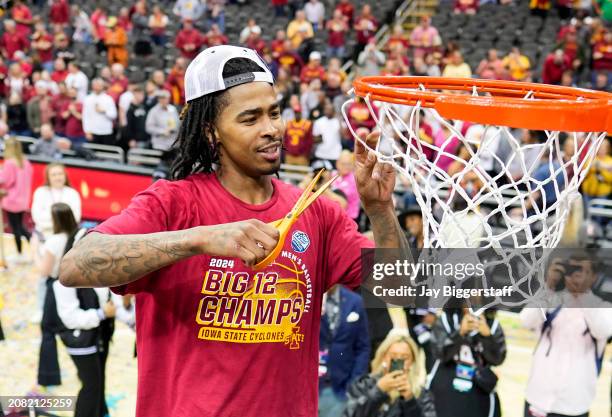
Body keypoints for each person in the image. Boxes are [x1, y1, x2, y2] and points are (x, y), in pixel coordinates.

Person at [58, 45, 402, 417]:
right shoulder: (173, 204)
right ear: (212, 131)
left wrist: (381, 210)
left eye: (274, 113)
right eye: (250, 118)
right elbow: (75, 265)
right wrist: (199, 239)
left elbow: (401, 287)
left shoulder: (316, 211)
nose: (271, 129)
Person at [520, 253, 612, 417]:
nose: (575, 274)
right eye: (571, 268)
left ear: (593, 277)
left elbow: (603, 330)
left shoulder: (602, 307)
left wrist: (583, 294)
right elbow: (526, 321)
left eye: (581, 270)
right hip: (537, 398)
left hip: (573, 405)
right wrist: (548, 286)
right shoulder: (550, 300)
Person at [428, 306, 506, 417]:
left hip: (478, 395)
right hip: (446, 391)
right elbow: (439, 353)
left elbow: (498, 359)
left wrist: (487, 337)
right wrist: (459, 333)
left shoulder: (492, 325)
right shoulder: (447, 319)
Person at [343, 333, 433, 417]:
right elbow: (350, 414)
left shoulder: (421, 394)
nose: (398, 361)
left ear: (412, 361)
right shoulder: (364, 384)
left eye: (404, 358)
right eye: (393, 356)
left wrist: (409, 400)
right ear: (384, 357)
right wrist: (379, 390)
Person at [319, 284, 370, 417]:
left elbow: (363, 347)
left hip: (343, 388)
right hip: (310, 388)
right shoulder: (306, 299)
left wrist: (354, 382)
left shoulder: (355, 301)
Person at [0, 137, 33, 260]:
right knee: (21, 226)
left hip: (11, 200)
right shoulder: (26, 162)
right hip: (23, 199)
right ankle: (33, 249)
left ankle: (20, 253)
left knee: (16, 228)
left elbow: (6, 181)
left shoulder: (9, 163)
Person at [82, 78, 117, 145]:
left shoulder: (108, 99)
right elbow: (85, 116)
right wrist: (87, 131)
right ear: (92, 86)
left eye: (99, 85)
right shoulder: (87, 99)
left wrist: (104, 111)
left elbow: (114, 115)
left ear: (102, 86)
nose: (97, 87)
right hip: (92, 132)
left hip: (106, 132)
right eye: (95, 85)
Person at [313, 101, 343, 165]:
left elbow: (344, 136)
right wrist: (318, 139)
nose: (327, 111)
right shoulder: (318, 122)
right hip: (321, 154)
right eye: (326, 109)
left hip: (335, 155)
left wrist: (339, 121)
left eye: (330, 109)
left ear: (334, 111)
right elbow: (315, 137)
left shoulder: (338, 121)